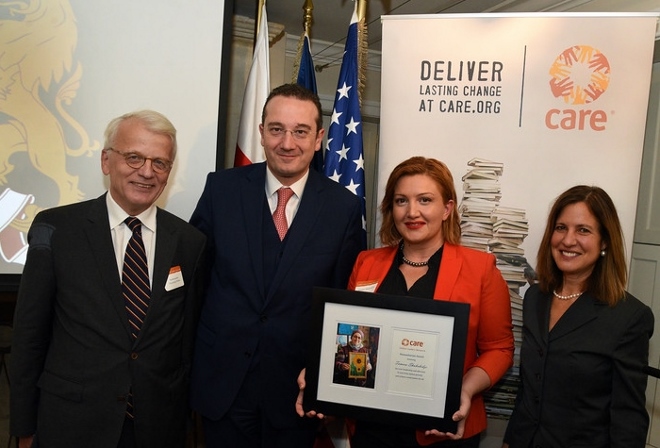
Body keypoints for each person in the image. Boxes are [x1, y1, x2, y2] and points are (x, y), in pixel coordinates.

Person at [9, 110, 207, 448]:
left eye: (160, 163)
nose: (147, 172)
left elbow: (186, 345)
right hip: (70, 425)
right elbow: (29, 337)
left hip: (156, 427)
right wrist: (25, 428)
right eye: (134, 157)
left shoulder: (189, 242)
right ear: (106, 161)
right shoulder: (58, 229)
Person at [189, 83, 365, 447]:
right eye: (277, 129)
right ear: (261, 133)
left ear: (318, 139)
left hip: (295, 396)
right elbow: (194, 285)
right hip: (222, 386)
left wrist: (327, 381)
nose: (288, 143)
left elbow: (343, 305)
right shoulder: (220, 190)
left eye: (300, 132)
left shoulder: (343, 210)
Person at [299, 156, 514, 447]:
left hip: (442, 431)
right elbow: (348, 338)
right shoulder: (366, 263)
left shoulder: (481, 269)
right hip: (370, 428)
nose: (412, 212)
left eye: (425, 200)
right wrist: (321, 370)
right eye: (401, 201)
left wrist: (464, 390)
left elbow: (499, 349)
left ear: (447, 208)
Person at [503, 185, 654, 448]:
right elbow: (529, 390)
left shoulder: (629, 317)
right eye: (561, 228)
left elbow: (628, 419)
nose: (568, 240)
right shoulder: (535, 298)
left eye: (583, 230)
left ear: (604, 241)